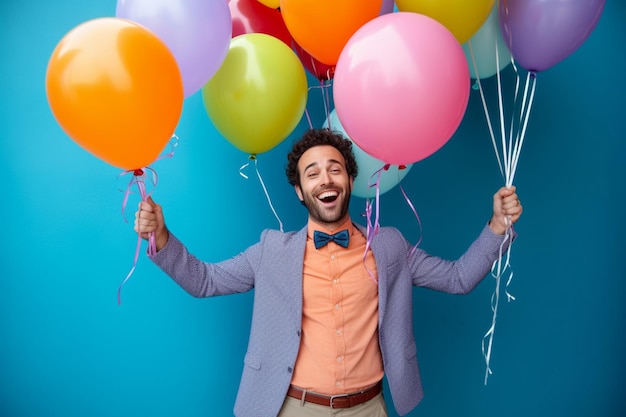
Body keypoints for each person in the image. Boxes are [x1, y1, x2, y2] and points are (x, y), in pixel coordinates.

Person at [134, 129, 522, 417]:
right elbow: (205, 281)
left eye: (335, 169)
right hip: (294, 407)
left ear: (350, 181)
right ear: (301, 192)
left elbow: (458, 279)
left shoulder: (389, 246)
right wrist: (162, 237)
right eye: (313, 173)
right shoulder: (271, 250)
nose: (326, 179)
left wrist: (497, 225)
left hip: (368, 408)